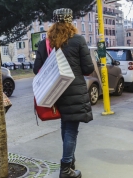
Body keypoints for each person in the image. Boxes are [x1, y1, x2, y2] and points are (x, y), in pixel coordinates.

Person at [33, 8, 94, 178]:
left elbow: (36, 69)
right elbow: (88, 69)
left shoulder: (45, 43)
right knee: (71, 130)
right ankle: (66, 169)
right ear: (70, 21)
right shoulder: (78, 40)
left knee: (65, 126)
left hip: (55, 93)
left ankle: (70, 163)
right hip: (74, 91)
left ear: (54, 21)